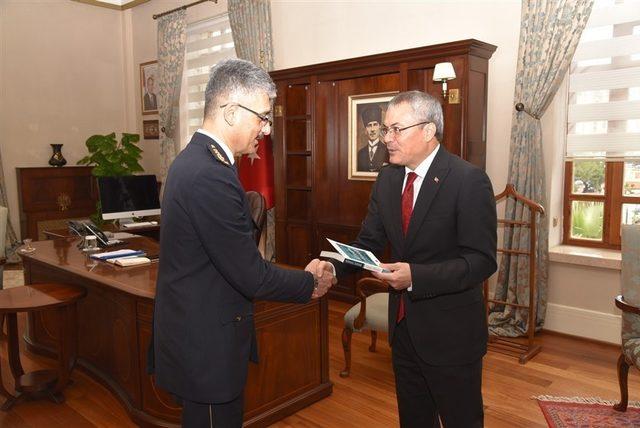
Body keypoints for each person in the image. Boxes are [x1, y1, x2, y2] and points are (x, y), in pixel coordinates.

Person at [150, 58, 335, 428]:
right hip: (206, 348)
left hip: (196, 335)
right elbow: (250, 275)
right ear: (232, 112)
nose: (266, 130)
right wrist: (310, 283)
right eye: (263, 117)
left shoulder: (196, 162)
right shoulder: (209, 175)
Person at [331, 91, 497, 427]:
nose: (386, 138)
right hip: (403, 326)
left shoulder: (468, 180)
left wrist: (416, 276)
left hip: (451, 333)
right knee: (414, 418)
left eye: (396, 129)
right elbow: (369, 241)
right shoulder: (388, 178)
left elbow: (481, 261)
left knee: (461, 419)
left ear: (428, 130)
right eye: (387, 129)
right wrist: (331, 267)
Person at [357, 105, 389, 172]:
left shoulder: (387, 151)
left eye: (375, 124)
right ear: (365, 130)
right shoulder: (360, 154)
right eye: (369, 125)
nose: (372, 129)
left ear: (379, 127)